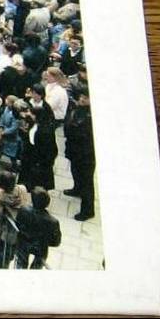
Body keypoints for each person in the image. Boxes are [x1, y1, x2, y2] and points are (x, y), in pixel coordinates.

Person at [65, 86, 96, 221]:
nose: (82, 99)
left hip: (85, 154)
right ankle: (76, 188)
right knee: (75, 171)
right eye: (82, 97)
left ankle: (88, 210)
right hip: (75, 149)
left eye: (86, 98)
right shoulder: (78, 109)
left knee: (87, 182)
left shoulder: (91, 116)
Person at [14, 187, 62, 269]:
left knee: (21, 264)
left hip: (24, 243)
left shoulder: (24, 210)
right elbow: (56, 241)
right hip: (40, 247)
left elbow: (18, 225)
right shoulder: (53, 221)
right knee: (37, 267)